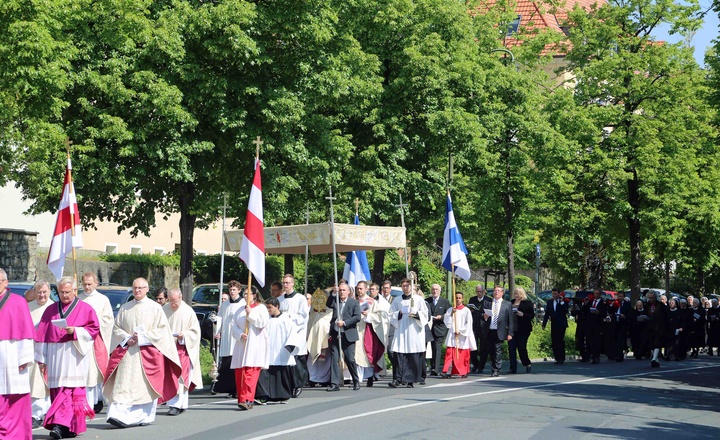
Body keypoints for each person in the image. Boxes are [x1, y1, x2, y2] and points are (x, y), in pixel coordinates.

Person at [103, 277, 181, 428]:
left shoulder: (155, 308)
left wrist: (143, 337)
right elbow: (116, 328)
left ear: (147, 289)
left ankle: (143, 416)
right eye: (135, 288)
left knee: (145, 387)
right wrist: (127, 338)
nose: (137, 291)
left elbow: (162, 331)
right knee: (123, 385)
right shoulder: (125, 307)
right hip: (127, 353)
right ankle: (117, 415)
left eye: (140, 288)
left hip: (147, 354)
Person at [35, 277, 100, 439]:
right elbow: (41, 335)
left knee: (70, 391)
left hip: (74, 354)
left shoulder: (85, 308)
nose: (64, 295)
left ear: (75, 291)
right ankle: (70, 427)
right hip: (55, 355)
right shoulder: (50, 310)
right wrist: (42, 359)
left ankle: (59, 425)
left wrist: (76, 331)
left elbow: (93, 329)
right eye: (61, 292)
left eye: (67, 292)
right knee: (59, 391)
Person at [0, 268, 35, 440]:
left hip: (13, 353)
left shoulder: (18, 301)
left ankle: (16, 434)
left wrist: (25, 358)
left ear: (6, 283)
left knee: (15, 394)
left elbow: (26, 331)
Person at [163, 288, 203, 416]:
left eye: (175, 302)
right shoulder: (164, 309)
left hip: (182, 349)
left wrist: (184, 335)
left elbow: (195, 332)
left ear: (180, 298)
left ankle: (177, 405)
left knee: (180, 377)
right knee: (170, 376)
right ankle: (176, 403)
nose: (173, 304)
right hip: (168, 348)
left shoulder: (188, 311)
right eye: (171, 301)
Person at [78, 272, 113, 414]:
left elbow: (109, 320)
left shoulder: (102, 299)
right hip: (80, 341)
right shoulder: (78, 299)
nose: (86, 287)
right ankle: (87, 403)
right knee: (84, 374)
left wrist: (94, 319)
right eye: (84, 284)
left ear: (96, 284)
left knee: (94, 372)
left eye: (89, 284)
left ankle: (96, 400)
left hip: (96, 340)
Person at [230, 286, 269, 411]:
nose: (246, 296)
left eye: (248, 294)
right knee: (240, 374)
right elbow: (233, 325)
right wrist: (240, 334)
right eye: (244, 294)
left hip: (254, 344)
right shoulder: (240, 309)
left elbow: (262, 323)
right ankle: (241, 399)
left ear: (254, 295)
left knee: (250, 374)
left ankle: (248, 399)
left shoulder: (261, 308)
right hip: (242, 343)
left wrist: (250, 313)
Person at [255, 298, 298, 404]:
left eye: (270, 307)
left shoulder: (286, 319)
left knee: (281, 374)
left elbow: (292, 333)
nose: (268, 310)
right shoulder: (266, 320)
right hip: (267, 351)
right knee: (264, 373)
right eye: (267, 308)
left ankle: (282, 396)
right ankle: (264, 396)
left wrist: (290, 345)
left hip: (281, 351)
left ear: (277, 306)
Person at [388, 278, 429, 388]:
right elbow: (391, 314)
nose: (405, 288)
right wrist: (400, 313)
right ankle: (397, 379)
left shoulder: (419, 300)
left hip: (414, 330)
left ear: (411, 287)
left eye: (407, 285)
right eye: (403, 286)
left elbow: (425, 315)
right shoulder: (397, 300)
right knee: (399, 355)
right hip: (401, 330)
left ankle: (410, 380)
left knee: (412, 356)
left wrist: (416, 314)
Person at [28, 280, 54, 428]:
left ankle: (39, 413)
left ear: (49, 291)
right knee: (31, 383)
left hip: (47, 350)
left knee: (41, 383)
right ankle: (33, 413)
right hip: (29, 350)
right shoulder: (27, 307)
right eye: (39, 292)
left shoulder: (53, 308)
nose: (42, 295)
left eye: (44, 292)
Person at [326, 282, 361, 391]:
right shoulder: (335, 301)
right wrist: (333, 293)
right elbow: (328, 304)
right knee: (334, 358)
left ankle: (355, 380)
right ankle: (335, 383)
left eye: (344, 290)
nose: (341, 292)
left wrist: (345, 323)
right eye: (340, 290)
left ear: (348, 291)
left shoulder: (354, 302)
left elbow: (357, 317)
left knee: (349, 359)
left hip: (348, 333)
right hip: (336, 333)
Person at [278, 274, 309, 398]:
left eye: (288, 282)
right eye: (284, 283)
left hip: (297, 332)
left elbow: (304, 316)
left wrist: (290, 316)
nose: (285, 285)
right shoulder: (280, 299)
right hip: (283, 334)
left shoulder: (300, 298)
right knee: (286, 360)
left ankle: (298, 384)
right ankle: (288, 384)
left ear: (293, 283)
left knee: (297, 360)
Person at [214, 280, 245, 397]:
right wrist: (218, 331)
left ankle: (237, 388)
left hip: (237, 336)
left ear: (239, 290)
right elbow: (220, 318)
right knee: (227, 363)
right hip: (227, 336)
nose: (232, 292)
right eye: (230, 290)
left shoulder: (243, 303)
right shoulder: (225, 304)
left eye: (234, 290)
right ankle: (229, 388)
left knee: (236, 362)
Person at [354, 281, 386, 386]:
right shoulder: (353, 301)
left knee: (367, 354)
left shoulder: (372, 302)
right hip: (355, 330)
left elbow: (378, 317)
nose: (359, 290)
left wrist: (368, 315)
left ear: (366, 289)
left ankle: (370, 376)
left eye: (361, 288)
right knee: (356, 355)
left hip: (367, 330)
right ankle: (357, 378)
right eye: (358, 288)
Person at [441, 292, 475, 378]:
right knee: (449, 353)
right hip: (452, 335)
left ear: (462, 299)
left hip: (462, 336)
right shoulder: (450, 309)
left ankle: (463, 371)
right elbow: (447, 322)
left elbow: (469, 323)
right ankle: (446, 371)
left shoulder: (466, 310)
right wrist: (452, 313)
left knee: (462, 354)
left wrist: (460, 331)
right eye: (456, 298)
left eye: (459, 298)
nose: (458, 299)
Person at [486, 286, 514, 377]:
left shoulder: (507, 304)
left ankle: (496, 369)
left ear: (502, 293)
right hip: (490, 330)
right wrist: (485, 316)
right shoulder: (489, 302)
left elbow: (510, 319)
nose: (496, 292)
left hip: (500, 330)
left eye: (498, 291)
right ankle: (493, 366)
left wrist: (510, 333)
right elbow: (484, 316)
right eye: (495, 291)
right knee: (491, 350)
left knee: (497, 350)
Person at [425, 284, 451, 376]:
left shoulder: (445, 301)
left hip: (439, 328)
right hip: (429, 328)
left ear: (440, 291)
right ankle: (427, 366)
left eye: (436, 289)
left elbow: (449, 313)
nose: (434, 291)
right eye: (433, 289)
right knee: (428, 347)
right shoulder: (427, 301)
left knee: (437, 347)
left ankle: (435, 368)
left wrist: (442, 316)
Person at [508, 287, 534, 374]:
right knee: (511, 349)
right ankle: (513, 368)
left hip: (523, 329)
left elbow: (531, 315)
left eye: (518, 294)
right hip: (513, 329)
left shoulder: (527, 303)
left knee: (521, 347)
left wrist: (522, 314)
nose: (516, 295)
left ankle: (527, 363)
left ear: (522, 294)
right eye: (515, 293)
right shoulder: (511, 302)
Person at [468, 285, 491, 373]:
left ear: (484, 291)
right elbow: (470, 311)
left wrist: (482, 314)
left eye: (480, 291)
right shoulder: (472, 299)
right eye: (477, 291)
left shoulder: (488, 300)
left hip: (484, 327)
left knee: (483, 348)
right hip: (474, 326)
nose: (479, 293)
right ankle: (475, 364)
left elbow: (489, 312)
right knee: (473, 347)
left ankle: (481, 366)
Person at [542, 287, 568, 365]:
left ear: (559, 294)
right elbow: (547, 313)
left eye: (555, 294)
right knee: (554, 341)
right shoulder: (550, 302)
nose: (554, 295)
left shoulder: (562, 301)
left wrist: (562, 301)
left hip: (561, 324)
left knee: (560, 340)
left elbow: (565, 311)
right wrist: (544, 324)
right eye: (553, 294)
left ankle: (561, 357)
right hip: (554, 324)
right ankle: (557, 357)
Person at [644, 292, 669, 368]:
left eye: (652, 298)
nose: (651, 299)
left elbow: (665, 316)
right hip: (649, 326)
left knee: (657, 342)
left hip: (659, 327)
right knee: (651, 343)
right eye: (649, 298)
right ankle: (655, 360)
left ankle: (654, 359)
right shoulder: (647, 305)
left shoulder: (661, 305)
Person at [583, 289, 608, 364]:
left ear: (600, 294)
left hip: (598, 324)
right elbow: (585, 311)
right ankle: (590, 355)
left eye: (597, 294)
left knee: (596, 341)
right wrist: (585, 304)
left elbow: (604, 314)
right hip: (590, 324)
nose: (596, 295)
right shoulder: (591, 302)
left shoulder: (603, 303)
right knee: (589, 341)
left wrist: (598, 313)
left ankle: (596, 356)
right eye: (595, 293)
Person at [608, 291, 631, 362]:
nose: (620, 298)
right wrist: (611, 305)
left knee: (620, 340)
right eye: (619, 296)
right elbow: (610, 311)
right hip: (615, 323)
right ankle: (613, 354)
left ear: (624, 297)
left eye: (621, 297)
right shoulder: (615, 303)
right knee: (614, 339)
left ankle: (620, 355)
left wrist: (624, 316)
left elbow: (629, 314)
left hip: (622, 324)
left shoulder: (627, 304)